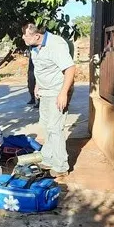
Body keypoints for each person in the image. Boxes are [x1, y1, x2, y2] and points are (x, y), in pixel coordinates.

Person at [21, 23, 76, 177]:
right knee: (45, 125)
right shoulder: (34, 47)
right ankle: (48, 158)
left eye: (25, 35)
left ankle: (61, 166)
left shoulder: (56, 45)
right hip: (45, 91)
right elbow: (40, 68)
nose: (23, 37)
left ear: (36, 36)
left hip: (58, 91)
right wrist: (38, 85)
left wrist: (63, 93)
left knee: (54, 127)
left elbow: (70, 69)